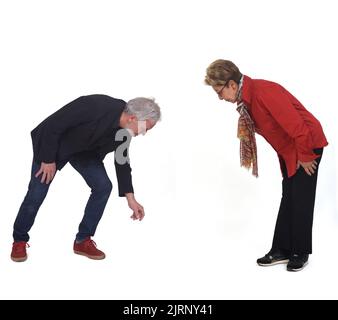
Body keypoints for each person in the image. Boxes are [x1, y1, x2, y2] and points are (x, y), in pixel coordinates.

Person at [205, 60, 328, 272]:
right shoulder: (247, 101)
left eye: (219, 92)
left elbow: (297, 125)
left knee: (301, 197)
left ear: (232, 85)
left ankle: (300, 252)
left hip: (306, 143)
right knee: (289, 195)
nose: (220, 98)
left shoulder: (263, 92)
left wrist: (306, 155)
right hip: (290, 149)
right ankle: (281, 249)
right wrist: (286, 159)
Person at [11, 95, 161, 262]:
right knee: (37, 193)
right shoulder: (96, 106)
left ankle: (82, 240)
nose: (144, 133)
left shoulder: (124, 132)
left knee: (103, 186)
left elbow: (122, 161)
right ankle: (19, 239)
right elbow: (54, 125)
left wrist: (130, 198)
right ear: (133, 118)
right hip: (53, 144)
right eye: (145, 128)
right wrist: (47, 159)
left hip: (85, 151)